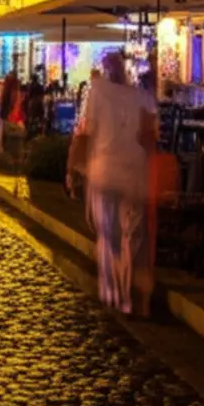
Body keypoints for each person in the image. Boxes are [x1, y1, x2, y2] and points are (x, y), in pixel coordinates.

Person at [68, 50, 157, 316]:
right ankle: (136, 297)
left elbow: (85, 133)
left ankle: (116, 295)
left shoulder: (97, 92)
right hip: (135, 173)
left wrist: (73, 169)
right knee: (136, 238)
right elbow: (149, 137)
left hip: (105, 173)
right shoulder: (141, 96)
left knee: (110, 237)